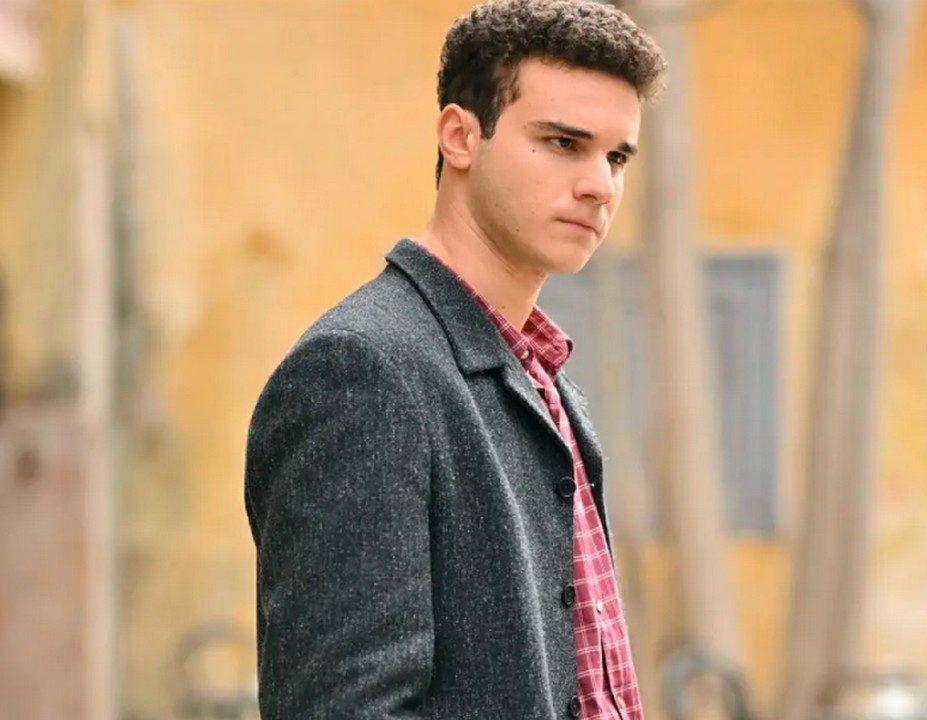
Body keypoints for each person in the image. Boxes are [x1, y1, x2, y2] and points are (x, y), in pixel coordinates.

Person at [243, 1, 665, 717]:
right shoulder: (362, 372)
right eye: (564, 142)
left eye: (616, 156)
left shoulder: (545, 379)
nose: (600, 185)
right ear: (461, 137)